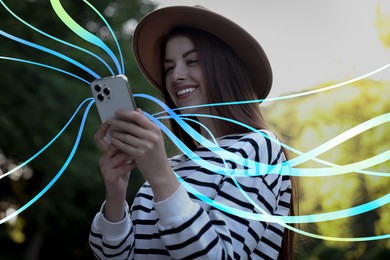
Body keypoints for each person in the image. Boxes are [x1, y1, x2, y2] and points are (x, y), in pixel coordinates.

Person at [89, 5, 295, 260]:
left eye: (192, 61)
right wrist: (116, 193)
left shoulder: (259, 148)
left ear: (223, 68)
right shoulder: (169, 167)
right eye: (169, 68)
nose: (177, 76)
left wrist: (159, 174)